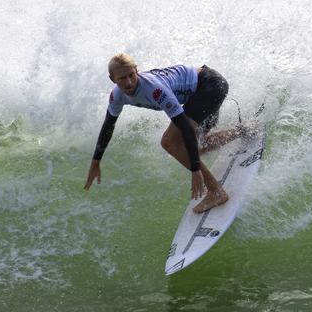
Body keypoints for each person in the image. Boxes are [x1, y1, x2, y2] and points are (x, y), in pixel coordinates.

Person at [84, 53, 241, 213]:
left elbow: (185, 127)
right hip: (202, 91)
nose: (129, 82)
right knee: (194, 149)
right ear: (112, 79)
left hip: (210, 87)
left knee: (169, 142)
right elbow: (108, 126)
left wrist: (195, 171)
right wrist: (96, 161)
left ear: (137, 70)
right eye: (122, 78)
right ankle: (242, 130)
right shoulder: (117, 95)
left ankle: (216, 191)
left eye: (131, 75)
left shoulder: (154, 89)